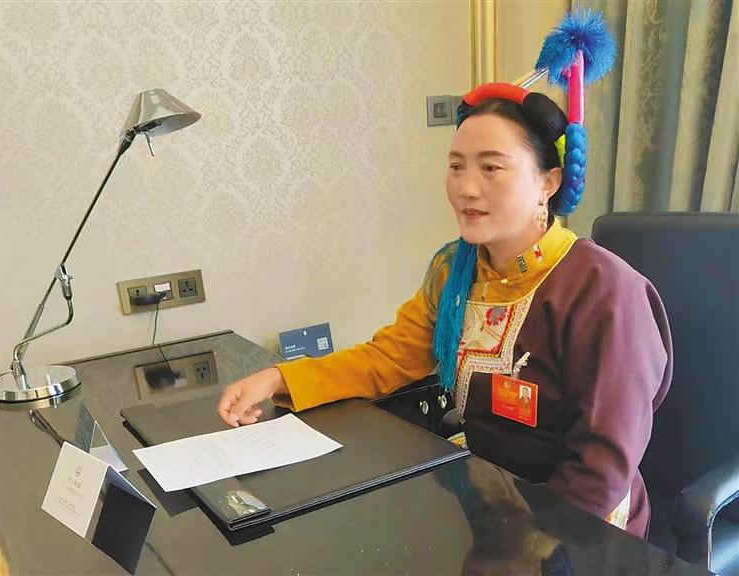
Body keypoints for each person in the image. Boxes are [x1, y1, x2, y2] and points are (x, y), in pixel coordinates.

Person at [216, 82, 673, 538]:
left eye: (491, 167)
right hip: (489, 503)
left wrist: (538, 549)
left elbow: (601, 465)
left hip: (577, 528)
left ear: (547, 183)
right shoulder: (455, 272)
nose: (466, 188)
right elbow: (386, 358)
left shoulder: (604, 291)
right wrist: (278, 378)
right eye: (456, 166)